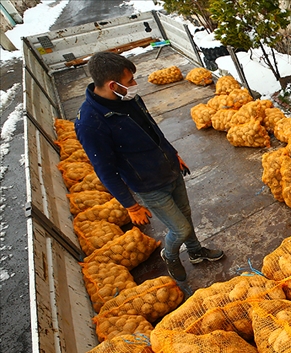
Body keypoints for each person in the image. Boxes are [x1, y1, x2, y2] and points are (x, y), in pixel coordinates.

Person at [75, 52, 223, 282]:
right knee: (180, 229)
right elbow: (104, 169)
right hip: (148, 184)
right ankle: (170, 255)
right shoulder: (90, 122)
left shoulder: (128, 98)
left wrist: (173, 153)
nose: (135, 85)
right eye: (130, 81)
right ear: (112, 85)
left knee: (186, 216)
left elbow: (153, 129)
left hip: (169, 169)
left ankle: (195, 252)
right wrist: (131, 206)